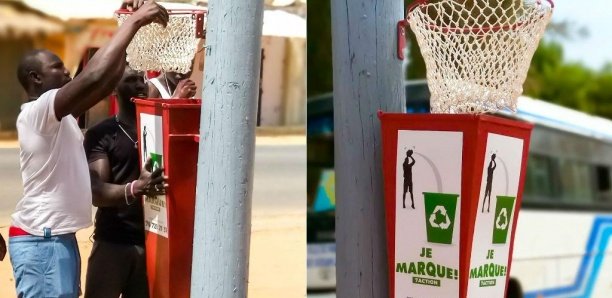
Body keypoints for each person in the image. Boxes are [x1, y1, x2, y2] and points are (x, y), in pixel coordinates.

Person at [9, 2, 169, 297]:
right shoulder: (38, 112)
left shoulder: (60, 118)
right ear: (36, 78)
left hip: (55, 239)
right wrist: (133, 22)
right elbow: (93, 77)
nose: (67, 71)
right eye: (57, 67)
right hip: (42, 241)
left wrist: (126, 29)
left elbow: (105, 80)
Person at [84, 66, 166, 298]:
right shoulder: (102, 133)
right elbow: (97, 192)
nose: (140, 85)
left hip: (153, 243)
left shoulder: (159, 128)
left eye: (142, 80)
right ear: (113, 89)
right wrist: (135, 188)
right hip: (113, 242)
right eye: (131, 80)